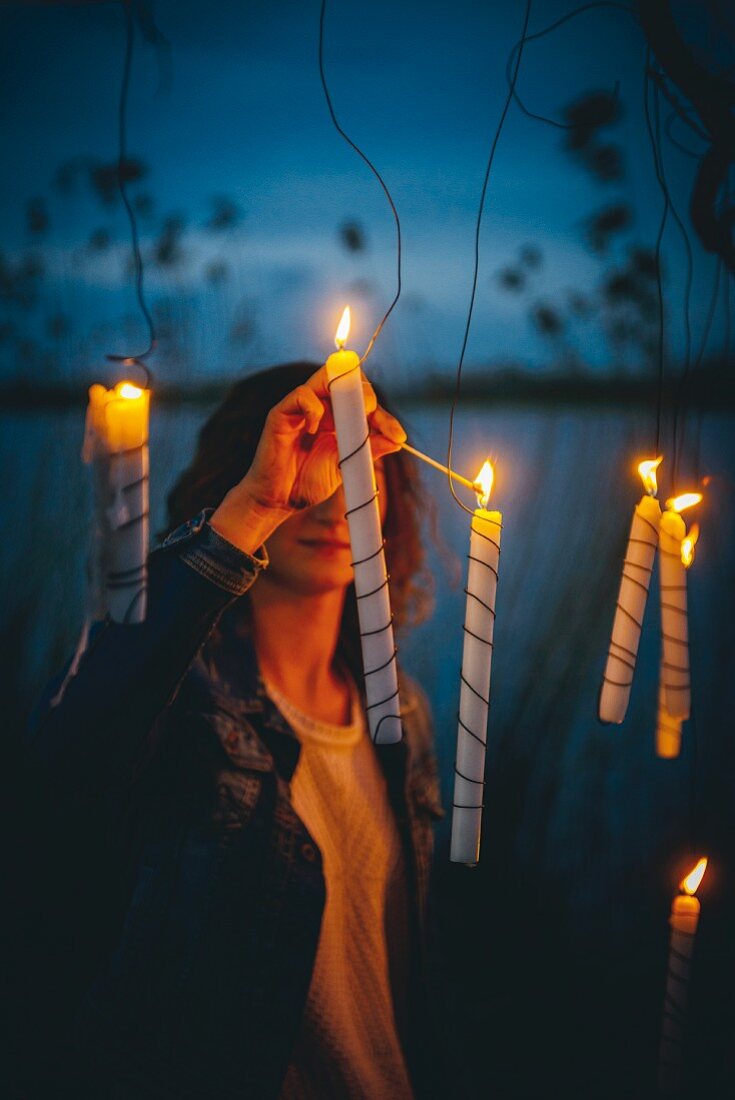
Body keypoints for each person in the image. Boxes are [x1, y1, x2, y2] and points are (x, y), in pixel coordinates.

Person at [17, 361, 451, 1099]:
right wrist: (254, 508)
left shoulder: (402, 715)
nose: (333, 503)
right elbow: (62, 776)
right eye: (311, 468)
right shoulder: (177, 696)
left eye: (359, 472)